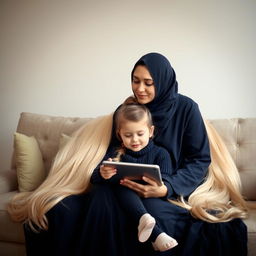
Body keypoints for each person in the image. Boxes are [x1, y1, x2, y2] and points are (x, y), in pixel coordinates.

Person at [8, 52, 248, 256]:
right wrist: (106, 169)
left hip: (167, 191)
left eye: (148, 82)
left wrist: (167, 187)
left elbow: (199, 161)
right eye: (135, 80)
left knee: (151, 213)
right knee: (62, 210)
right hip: (121, 187)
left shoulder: (186, 109)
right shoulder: (128, 110)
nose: (140, 89)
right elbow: (114, 153)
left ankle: (153, 230)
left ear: (162, 81)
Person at [91, 102, 178, 251]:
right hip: (122, 193)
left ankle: (149, 226)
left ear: (150, 131)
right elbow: (94, 178)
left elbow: (164, 179)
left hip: (149, 196)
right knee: (120, 185)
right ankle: (154, 231)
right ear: (119, 135)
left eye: (140, 134)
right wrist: (103, 173)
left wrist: (156, 183)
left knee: (124, 185)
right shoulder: (116, 152)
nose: (135, 140)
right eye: (128, 135)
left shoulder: (161, 154)